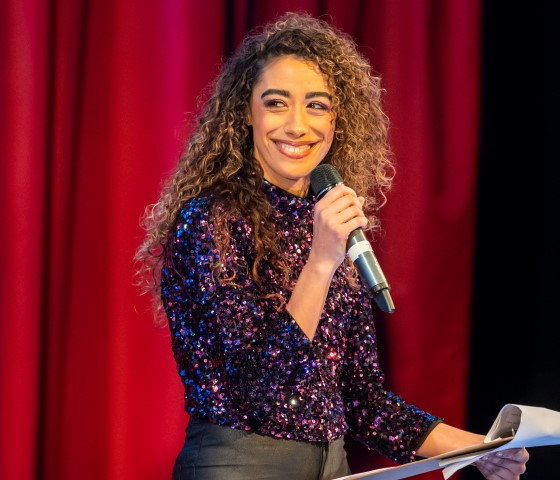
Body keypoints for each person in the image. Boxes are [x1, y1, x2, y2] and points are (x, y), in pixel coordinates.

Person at [135, 12, 529, 480]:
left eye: (317, 105)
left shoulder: (328, 222)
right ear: (247, 111)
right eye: (277, 103)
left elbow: (361, 400)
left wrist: (480, 448)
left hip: (332, 466)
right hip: (239, 464)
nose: (298, 125)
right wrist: (322, 260)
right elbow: (261, 385)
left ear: (338, 118)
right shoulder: (210, 221)